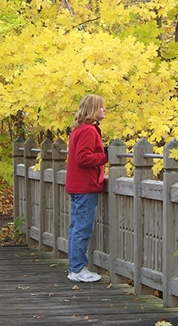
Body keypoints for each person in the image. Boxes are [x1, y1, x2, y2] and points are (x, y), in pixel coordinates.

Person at [65, 94, 108, 283]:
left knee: (76, 228)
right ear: (92, 109)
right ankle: (77, 269)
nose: (104, 110)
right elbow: (83, 158)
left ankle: (76, 267)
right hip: (86, 186)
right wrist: (104, 156)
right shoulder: (89, 130)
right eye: (101, 107)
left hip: (78, 185)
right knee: (82, 228)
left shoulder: (78, 130)